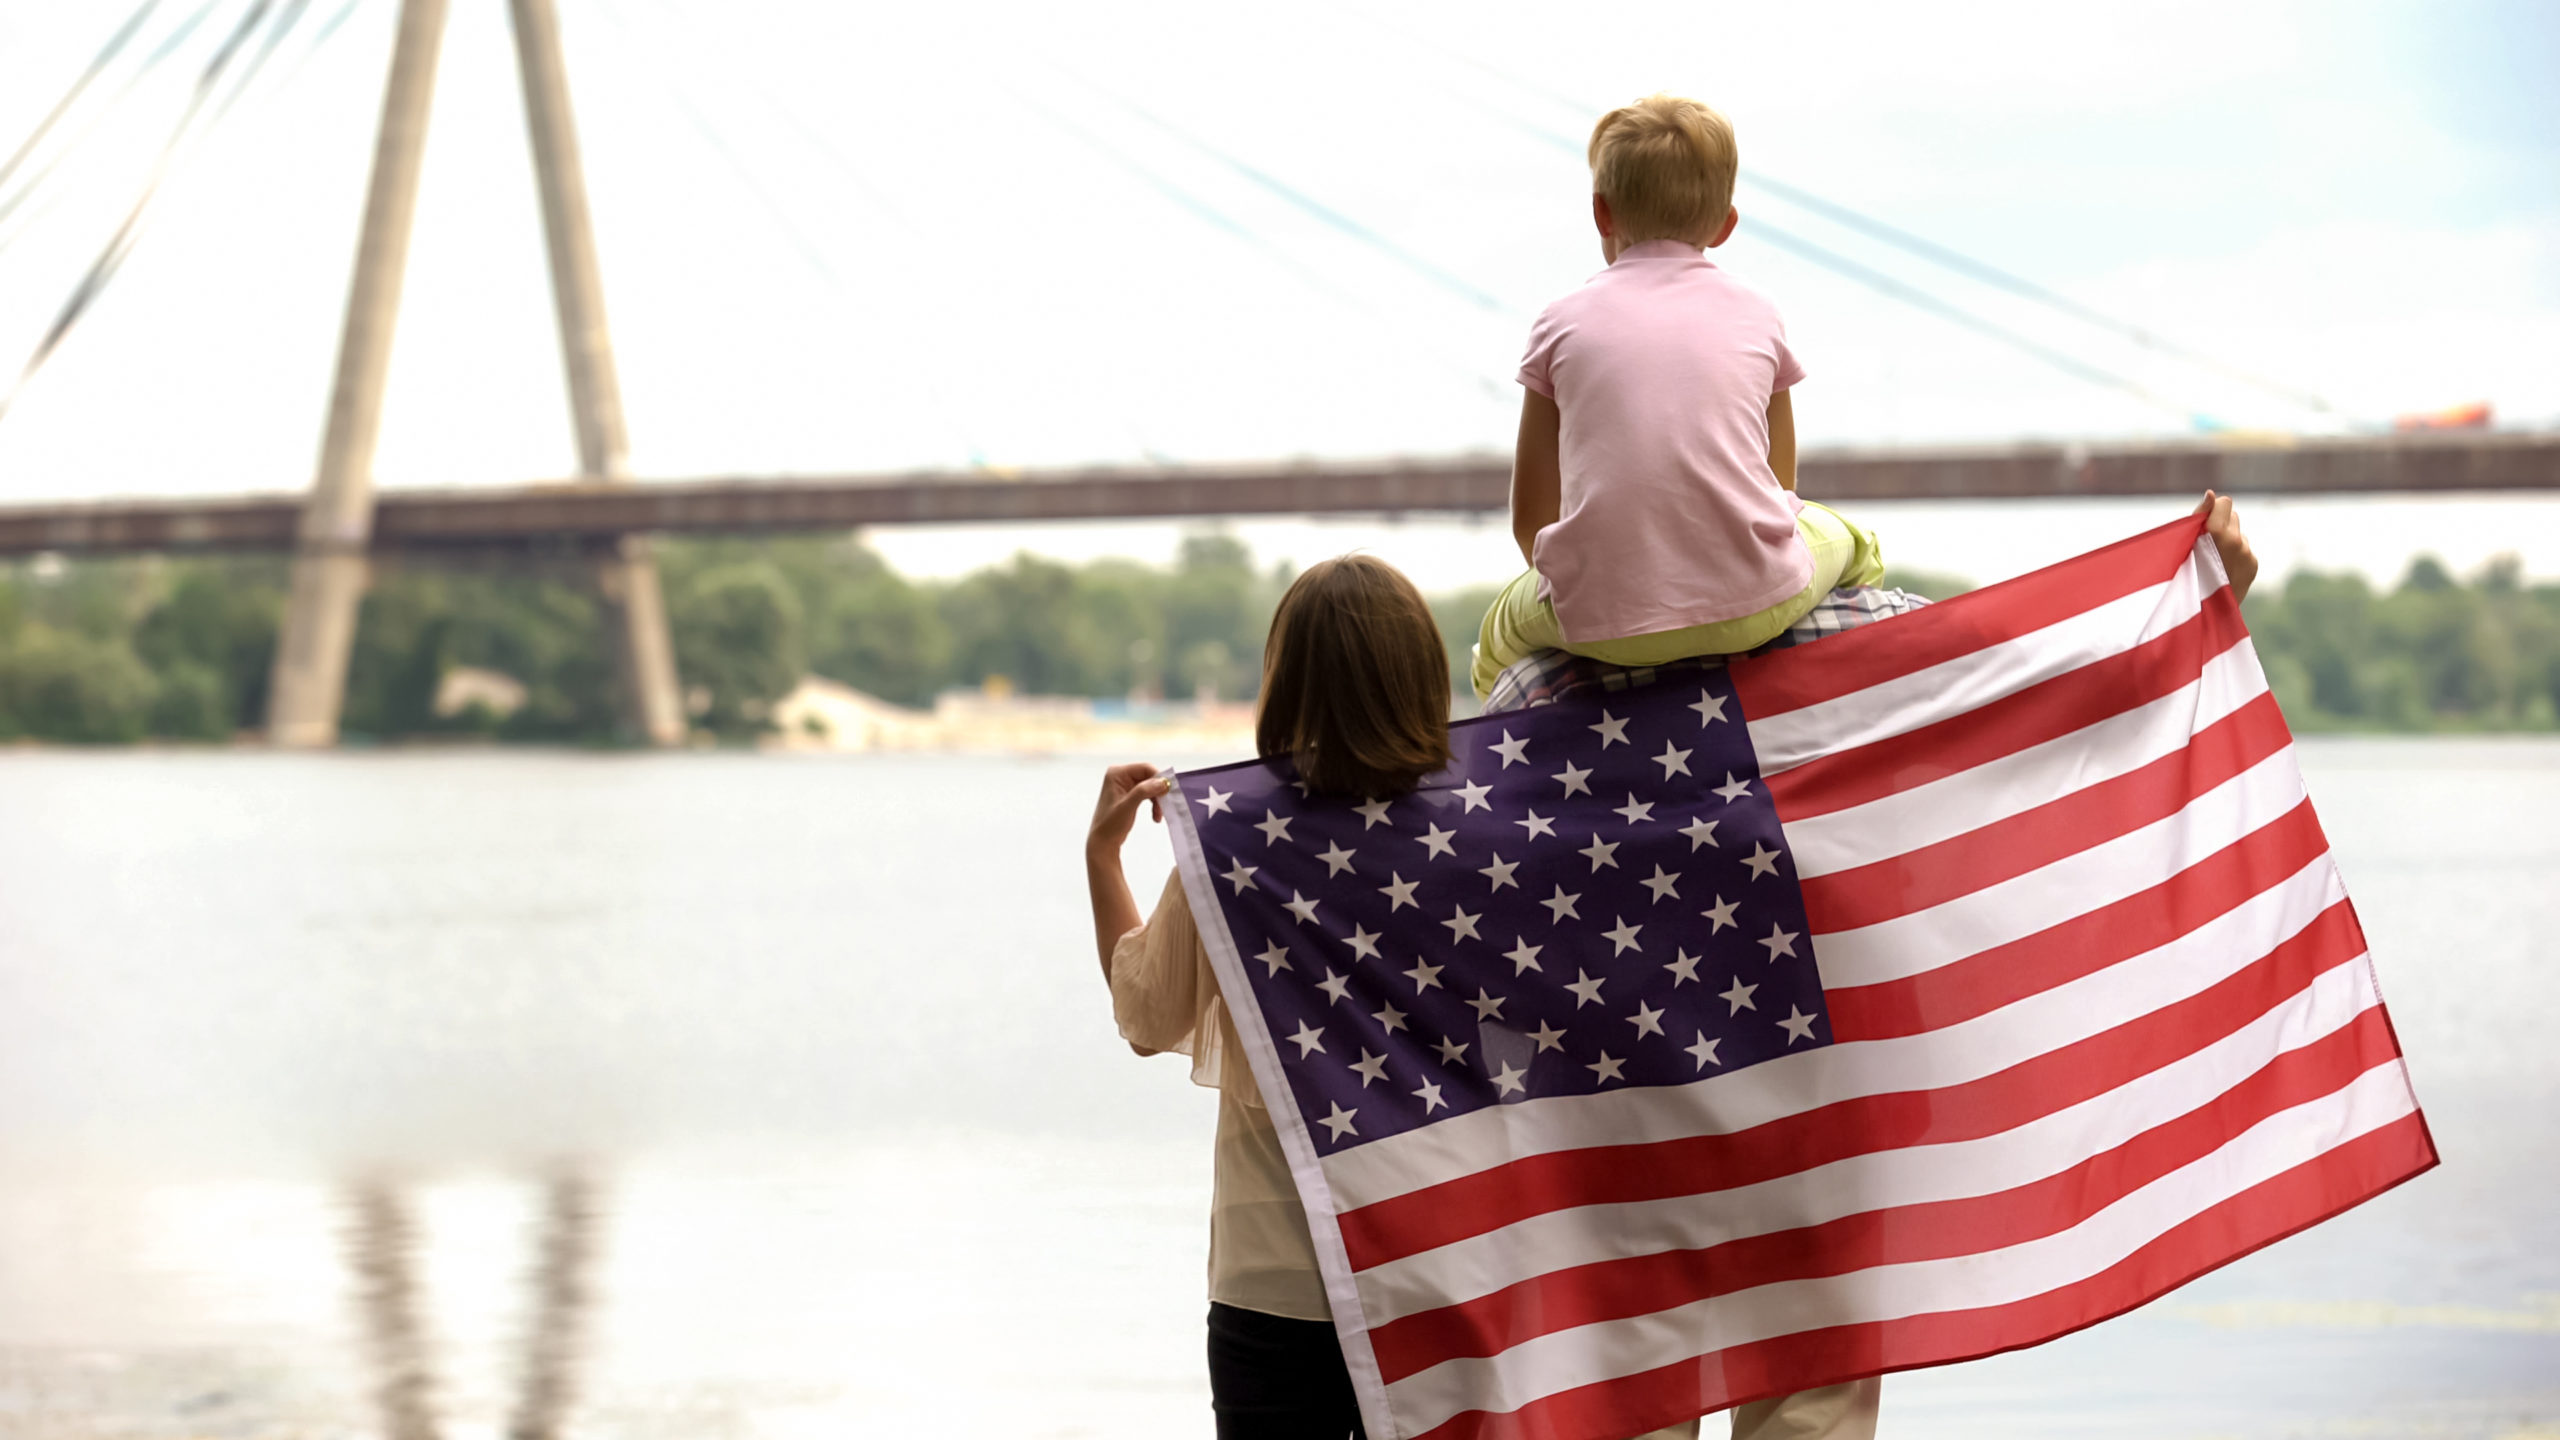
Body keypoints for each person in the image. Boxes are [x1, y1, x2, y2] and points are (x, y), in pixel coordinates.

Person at [1082, 553, 1887, 1440]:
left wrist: (1103, 856)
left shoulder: (1234, 843)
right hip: (1445, 1264)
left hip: (1278, 1281)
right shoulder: (1496, 833)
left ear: (1285, 679)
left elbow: (1143, 1016)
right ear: (1419, 673)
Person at [1471, 94, 1886, 700]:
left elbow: (1531, 521)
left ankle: (1494, 728)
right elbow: (1780, 491)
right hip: (1757, 607)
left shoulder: (1558, 324)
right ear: (1725, 225)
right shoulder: (1759, 313)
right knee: (1853, 541)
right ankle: (1852, 665)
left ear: (1600, 214)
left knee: (1496, 635)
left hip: (1600, 627)